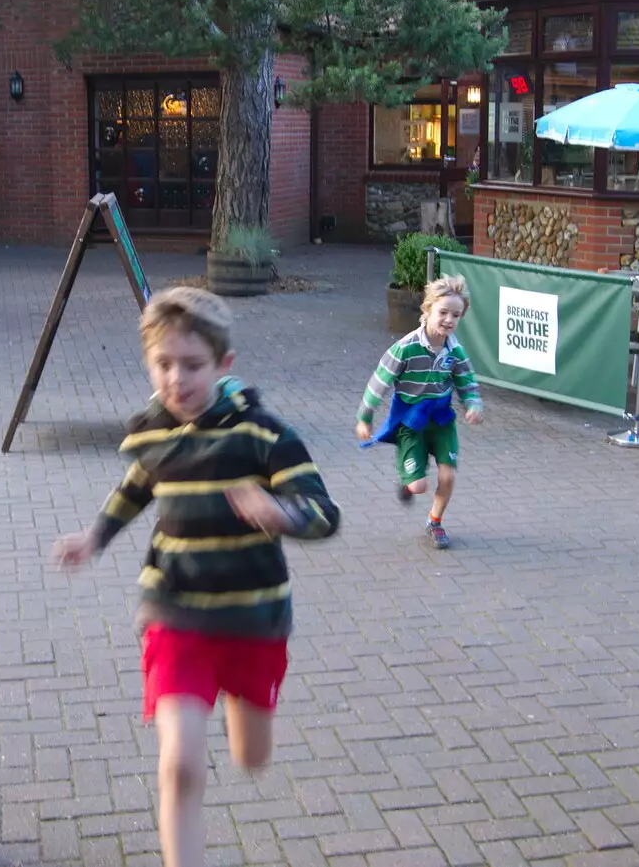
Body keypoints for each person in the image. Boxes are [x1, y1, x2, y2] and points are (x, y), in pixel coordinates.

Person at [52, 287, 340, 867]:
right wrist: (95, 537)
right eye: (163, 365)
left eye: (192, 366)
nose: (176, 380)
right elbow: (135, 489)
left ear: (224, 365)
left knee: (251, 754)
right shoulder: (155, 434)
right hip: (176, 610)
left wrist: (279, 512)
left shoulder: (264, 435)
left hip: (253, 615)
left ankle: (239, 699)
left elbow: (323, 512)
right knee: (180, 764)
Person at [356, 274, 483, 550]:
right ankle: (408, 481)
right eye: (443, 312)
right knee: (418, 487)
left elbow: (466, 380)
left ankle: (434, 522)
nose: (449, 320)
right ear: (426, 311)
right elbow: (379, 382)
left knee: (448, 476)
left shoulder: (455, 350)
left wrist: (473, 403)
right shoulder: (405, 348)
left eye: (456, 315)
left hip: (441, 419)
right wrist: (365, 416)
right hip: (411, 421)